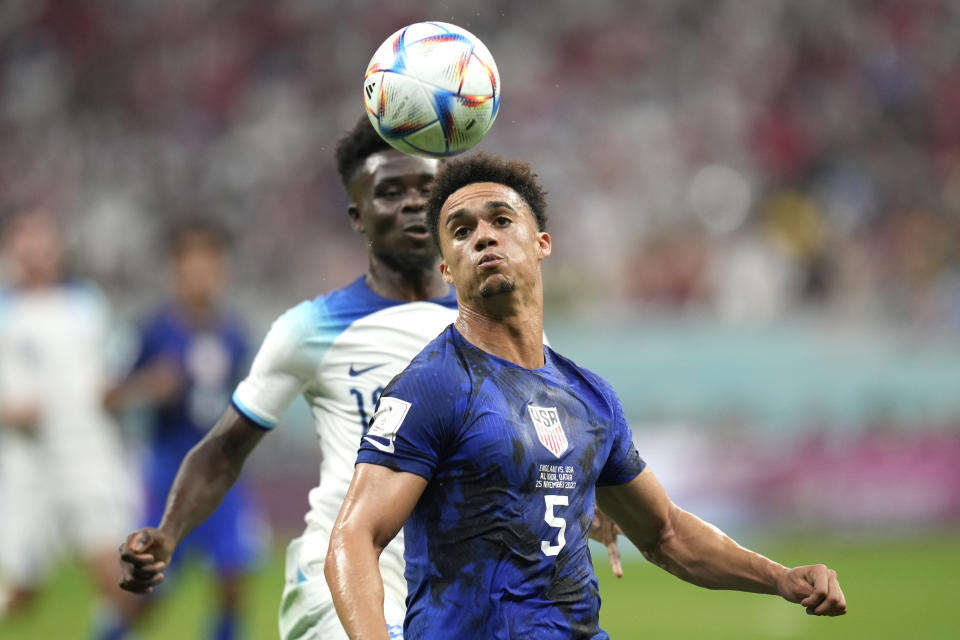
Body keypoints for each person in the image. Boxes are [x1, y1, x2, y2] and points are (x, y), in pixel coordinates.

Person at [324, 154, 848, 639]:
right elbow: (355, 538)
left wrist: (780, 578)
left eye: (501, 221)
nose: (483, 237)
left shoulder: (588, 397)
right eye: (461, 231)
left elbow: (666, 533)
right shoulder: (432, 386)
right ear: (445, 268)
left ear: (542, 243)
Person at [117, 118, 458, 639]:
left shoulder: (493, 323)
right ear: (357, 216)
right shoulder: (310, 328)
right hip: (340, 573)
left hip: (452, 577)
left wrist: (587, 498)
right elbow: (226, 447)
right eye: (390, 191)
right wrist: (168, 532)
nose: (413, 203)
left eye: (426, 190)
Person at [105, 219, 266, 640]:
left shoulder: (234, 333)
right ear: (176, 271)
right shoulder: (150, 329)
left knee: (234, 581)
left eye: (210, 264)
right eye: (192, 265)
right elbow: (108, 395)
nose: (202, 274)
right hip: (168, 474)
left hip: (221, 474)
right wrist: (148, 385)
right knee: (148, 593)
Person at [0, 208, 141, 639]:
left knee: (122, 581)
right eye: (26, 239)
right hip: (25, 466)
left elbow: (109, 375)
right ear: (10, 249)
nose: (36, 250)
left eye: (44, 240)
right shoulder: (5, 309)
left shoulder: (86, 304)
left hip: (85, 457)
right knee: (20, 594)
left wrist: (118, 391)